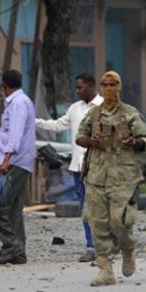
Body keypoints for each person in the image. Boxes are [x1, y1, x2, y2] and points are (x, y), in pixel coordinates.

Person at [76, 71, 146, 286]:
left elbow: (145, 139)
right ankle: (105, 269)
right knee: (97, 222)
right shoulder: (93, 114)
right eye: (105, 84)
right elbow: (79, 137)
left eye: (112, 84)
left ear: (119, 87)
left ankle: (127, 249)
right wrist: (91, 141)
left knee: (120, 220)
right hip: (97, 176)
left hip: (123, 177)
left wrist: (133, 142)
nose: (108, 88)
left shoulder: (130, 113)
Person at [35, 73, 103, 262]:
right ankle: (91, 247)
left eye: (80, 87)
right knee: (85, 208)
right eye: (77, 87)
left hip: (99, 168)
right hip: (78, 168)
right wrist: (35, 122)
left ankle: (106, 245)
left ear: (91, 85)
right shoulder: (75, 109)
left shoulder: (104, 106)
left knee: (101, 207)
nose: (77, 91)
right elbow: (58, 125)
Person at [0, 69, 36, 264]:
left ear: (5, 86)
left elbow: (15, 134)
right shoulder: (21, 101)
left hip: (14, 162)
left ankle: (11, 248)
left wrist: (5, 161)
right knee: (13, 209)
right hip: (18, 162)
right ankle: (18, 252)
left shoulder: (18, 104)